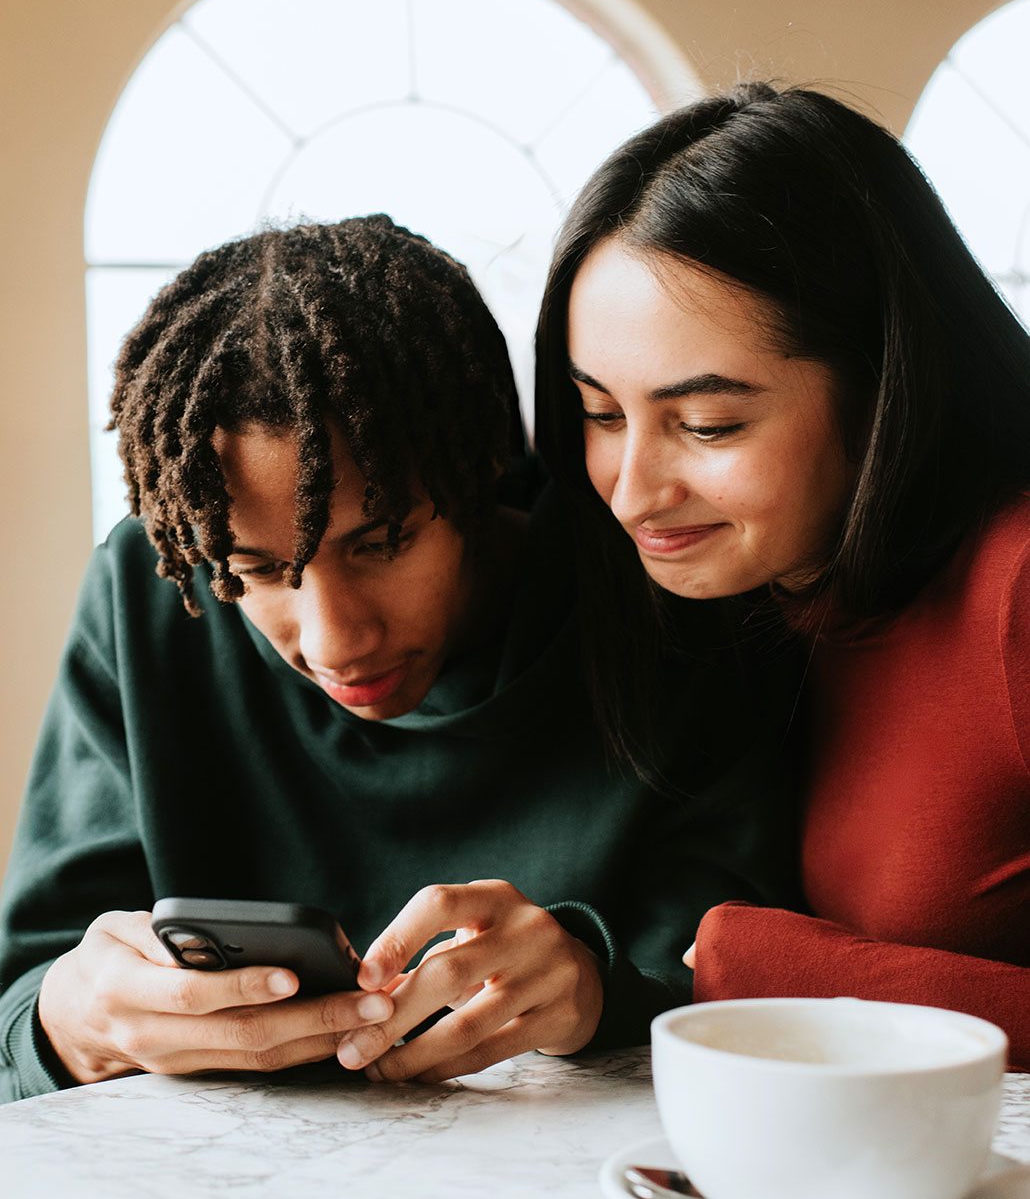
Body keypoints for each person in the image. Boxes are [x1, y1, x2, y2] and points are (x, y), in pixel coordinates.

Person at [0, 215, 799, 1103]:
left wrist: (595, 987)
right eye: (254, 571)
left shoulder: (663, 593)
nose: (336, 639)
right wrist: (70, 1024)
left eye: (381, 542)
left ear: (479, 470)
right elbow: (22, 1011)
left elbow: (761, 986)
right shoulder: (150, 592)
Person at [535, 82, 1030, 1067]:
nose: (633, 490)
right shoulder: (740, 592)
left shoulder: (1015, 590)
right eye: (599, 412)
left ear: (882, 383)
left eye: (707, 423)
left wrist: (790, 971)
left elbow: (755, 957)